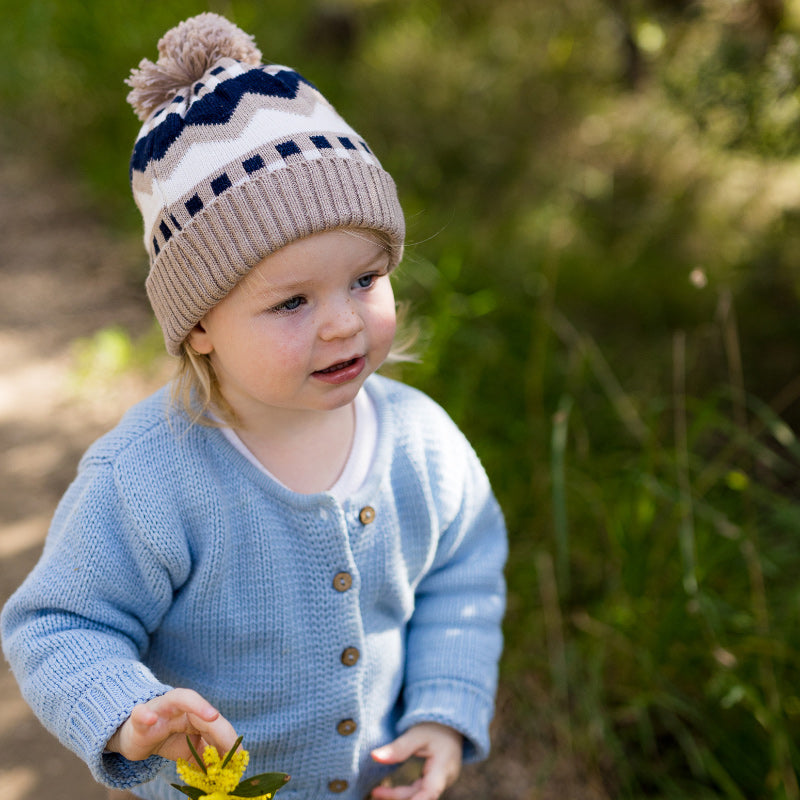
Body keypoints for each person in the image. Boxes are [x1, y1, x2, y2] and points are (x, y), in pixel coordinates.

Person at [1, 13, 507, 800]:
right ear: (199, 325)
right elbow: (58, 624)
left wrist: (443, 709)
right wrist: (129, 712)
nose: (343, 320)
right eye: (293, 301)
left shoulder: (421, 442)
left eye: (365, 280)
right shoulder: (149, 478)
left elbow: (462, 576)